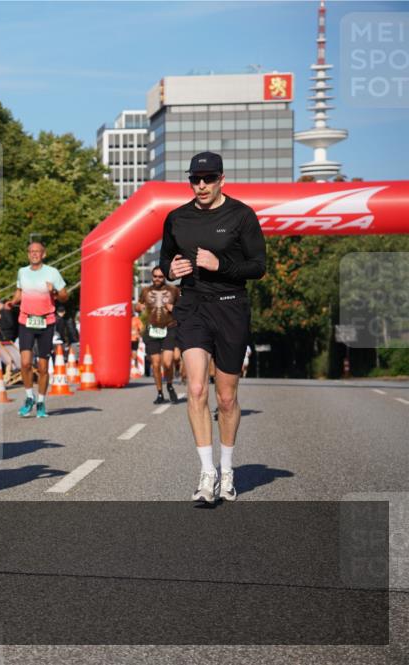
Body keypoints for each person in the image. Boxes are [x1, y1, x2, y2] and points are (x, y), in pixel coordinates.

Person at [160, 151, 266, 504]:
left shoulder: (241, 215)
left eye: (208, 179)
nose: (201, 185)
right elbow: (165, 259)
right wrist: (172, 270)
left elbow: (257, 267)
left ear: (222, 179)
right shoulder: (177, 218)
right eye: (195, 179)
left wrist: (221, 265)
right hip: (192, 307)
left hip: (231, 307)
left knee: (225, 396)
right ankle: (207, 475)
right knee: (195, 389)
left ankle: (227, 469)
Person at [5, 240, 68, 418]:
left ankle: (40, 401)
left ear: (44, 254)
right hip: (26, 321)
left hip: (46, 322)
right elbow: (19, 292)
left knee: (42, 367)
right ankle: (29, 397)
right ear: (28, 254)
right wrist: (12, 302)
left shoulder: (52, 273)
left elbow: (64, 297)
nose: (34, 254)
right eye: (31, 251)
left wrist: (54, 291)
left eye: (37, 251)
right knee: (25, 363)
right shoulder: (22, 272)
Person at [136, 266, 180, 404]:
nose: (157, 279)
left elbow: (183, 308)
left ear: (165, 277)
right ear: (152, 276)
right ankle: (160, 393)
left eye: (160, 277)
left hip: (169, 328)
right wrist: (139, 307)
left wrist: (173, 308)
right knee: (155, 364)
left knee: (167, 363)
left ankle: (170, 384)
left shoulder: (174, 290)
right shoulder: (145, 291)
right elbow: (137, 305)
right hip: (152, 329)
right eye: (155, 276)